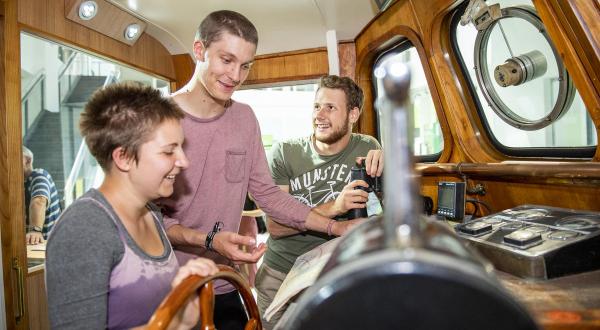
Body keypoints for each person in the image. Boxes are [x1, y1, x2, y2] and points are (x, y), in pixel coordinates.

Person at [156, 10, 363, 330]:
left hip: (224, 281)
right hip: (169, 286)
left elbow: (267, 194)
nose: (235, 75)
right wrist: (208, 240)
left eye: (245, 65)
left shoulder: (245, 118)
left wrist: (336, 229)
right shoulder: (156, 117)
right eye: (226, 60)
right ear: (199, 51)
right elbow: (143, 217)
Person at [46, 83, 219, 329]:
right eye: (169, 151)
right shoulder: (84, 228)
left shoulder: (153, 213)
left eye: (181, 147)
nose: (184, 161)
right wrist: (173, 322)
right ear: (124, 158)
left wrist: (183, 313)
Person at [255, 75, 384, 329]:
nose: (320, 115)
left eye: (331, 108)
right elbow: (276, 227)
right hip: (281, 272)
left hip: (335, 271)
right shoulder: (285, 152)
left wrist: (384, 164)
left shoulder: (367, 147)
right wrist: (336, 207)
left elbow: (378, 210)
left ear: (353, 114)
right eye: (317, 106)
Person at [22, 145, 61, 244]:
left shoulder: (39, 175)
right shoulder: (21, 183)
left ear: (27, 161)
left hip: (46, 246)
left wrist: (35, 230)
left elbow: (39, 201)